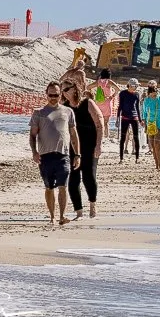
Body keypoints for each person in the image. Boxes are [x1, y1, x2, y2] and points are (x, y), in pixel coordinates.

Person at [29, 82, 81, 226]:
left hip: (63, 155)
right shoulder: (38, 113)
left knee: (63, 186)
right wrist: (34, 152)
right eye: (50, 95)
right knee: (49, 187)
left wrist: (77, 154)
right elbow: (32, 135)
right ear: (46, 94)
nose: (53, 98)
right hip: (45, 156)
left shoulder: (68, 112)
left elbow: (73, 133)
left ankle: (62, 216)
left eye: (56, 95)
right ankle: (52, 216)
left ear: (60, 95)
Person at [61, 80, 103, 219]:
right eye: (63, 90)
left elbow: (99, 123)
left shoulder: (87, 103)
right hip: (72, 146)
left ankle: (92, 205)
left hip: (90, 145)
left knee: (88, 176)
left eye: (67, 89)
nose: (65, 93)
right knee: (73, 179)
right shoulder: (65, 107)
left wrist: (98, 144)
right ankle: (78, 211)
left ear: (74, 89)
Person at [86, 69, 121, 141]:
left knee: (98, 120)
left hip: (99, 102)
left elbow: (88, 87)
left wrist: (92, 95)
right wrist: (113, 96)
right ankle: (106, 136)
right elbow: (118, 89)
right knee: (106, 122)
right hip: (107, 102)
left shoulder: (98, 82)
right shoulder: (109, 82)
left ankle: (98, 135)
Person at [142, 84, 160, 170]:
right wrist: (144, 122)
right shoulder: (146, 101)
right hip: (150, 124)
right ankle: (156, 164)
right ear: (149, 93)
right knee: (152, 145)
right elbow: (144, 113)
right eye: (153, 94)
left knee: (157, 143)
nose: (155, 95)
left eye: (156, 93)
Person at [117, 78, 142, 163]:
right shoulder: (123, 93)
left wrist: (140, 119)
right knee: (123, 138)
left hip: (134, 117)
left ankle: (137, 158)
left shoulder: (137, 94)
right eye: (135, 86)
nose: (136, 87)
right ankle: (121, 158)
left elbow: (137, 108)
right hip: (125, 117)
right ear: (130, 85)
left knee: (136, 137)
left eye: (137, 86)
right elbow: (120, 106)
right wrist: (117, 118)